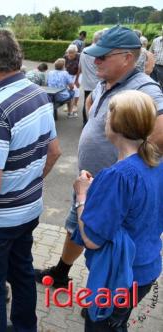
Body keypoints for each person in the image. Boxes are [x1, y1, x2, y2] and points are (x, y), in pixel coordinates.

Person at [35, 25, 163, 292]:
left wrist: (127, 167)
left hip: (111, 189)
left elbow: (160, 129)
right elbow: (92, 106)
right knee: (76, 225)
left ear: (127, 58)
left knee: (101, 238)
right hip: (91, 181)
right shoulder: (109, 82)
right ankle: (61, 272)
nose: (95, 61)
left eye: (103, 56)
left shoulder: (143, 88)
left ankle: (108, 295)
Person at [0, 29, 60, 332]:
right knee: (22, 276)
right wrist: (24, 186)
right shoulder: (37, 93)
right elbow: (54, 152)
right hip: (28, 212)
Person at [72, 90, 162, 331]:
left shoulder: (117, 177)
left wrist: (82, 194)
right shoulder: (156, 162)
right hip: (147, 267)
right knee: (117, 322)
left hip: (119, 276)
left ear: (116, 124)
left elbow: (91, 239)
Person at [78, 29, 104, 126]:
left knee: (86, 101)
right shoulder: (99, 52)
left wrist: (77, 79)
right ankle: (91, 124)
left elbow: (80, 66)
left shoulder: (84, 50)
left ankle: (85, 122)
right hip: (97, 83)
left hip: (86, 82)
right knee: (96, 104)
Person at [64, 44, 81, 114]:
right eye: (69, 52)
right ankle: (67, 104)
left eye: (72, 53)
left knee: (76, 89)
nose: (70, 54)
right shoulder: (65, 57)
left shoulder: (79, 57)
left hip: (78, 73)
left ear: (75, 52)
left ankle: (75, 105)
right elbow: (64, 67)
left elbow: (80, 69)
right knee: (67, 88)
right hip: (68, 74)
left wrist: (76, 80)